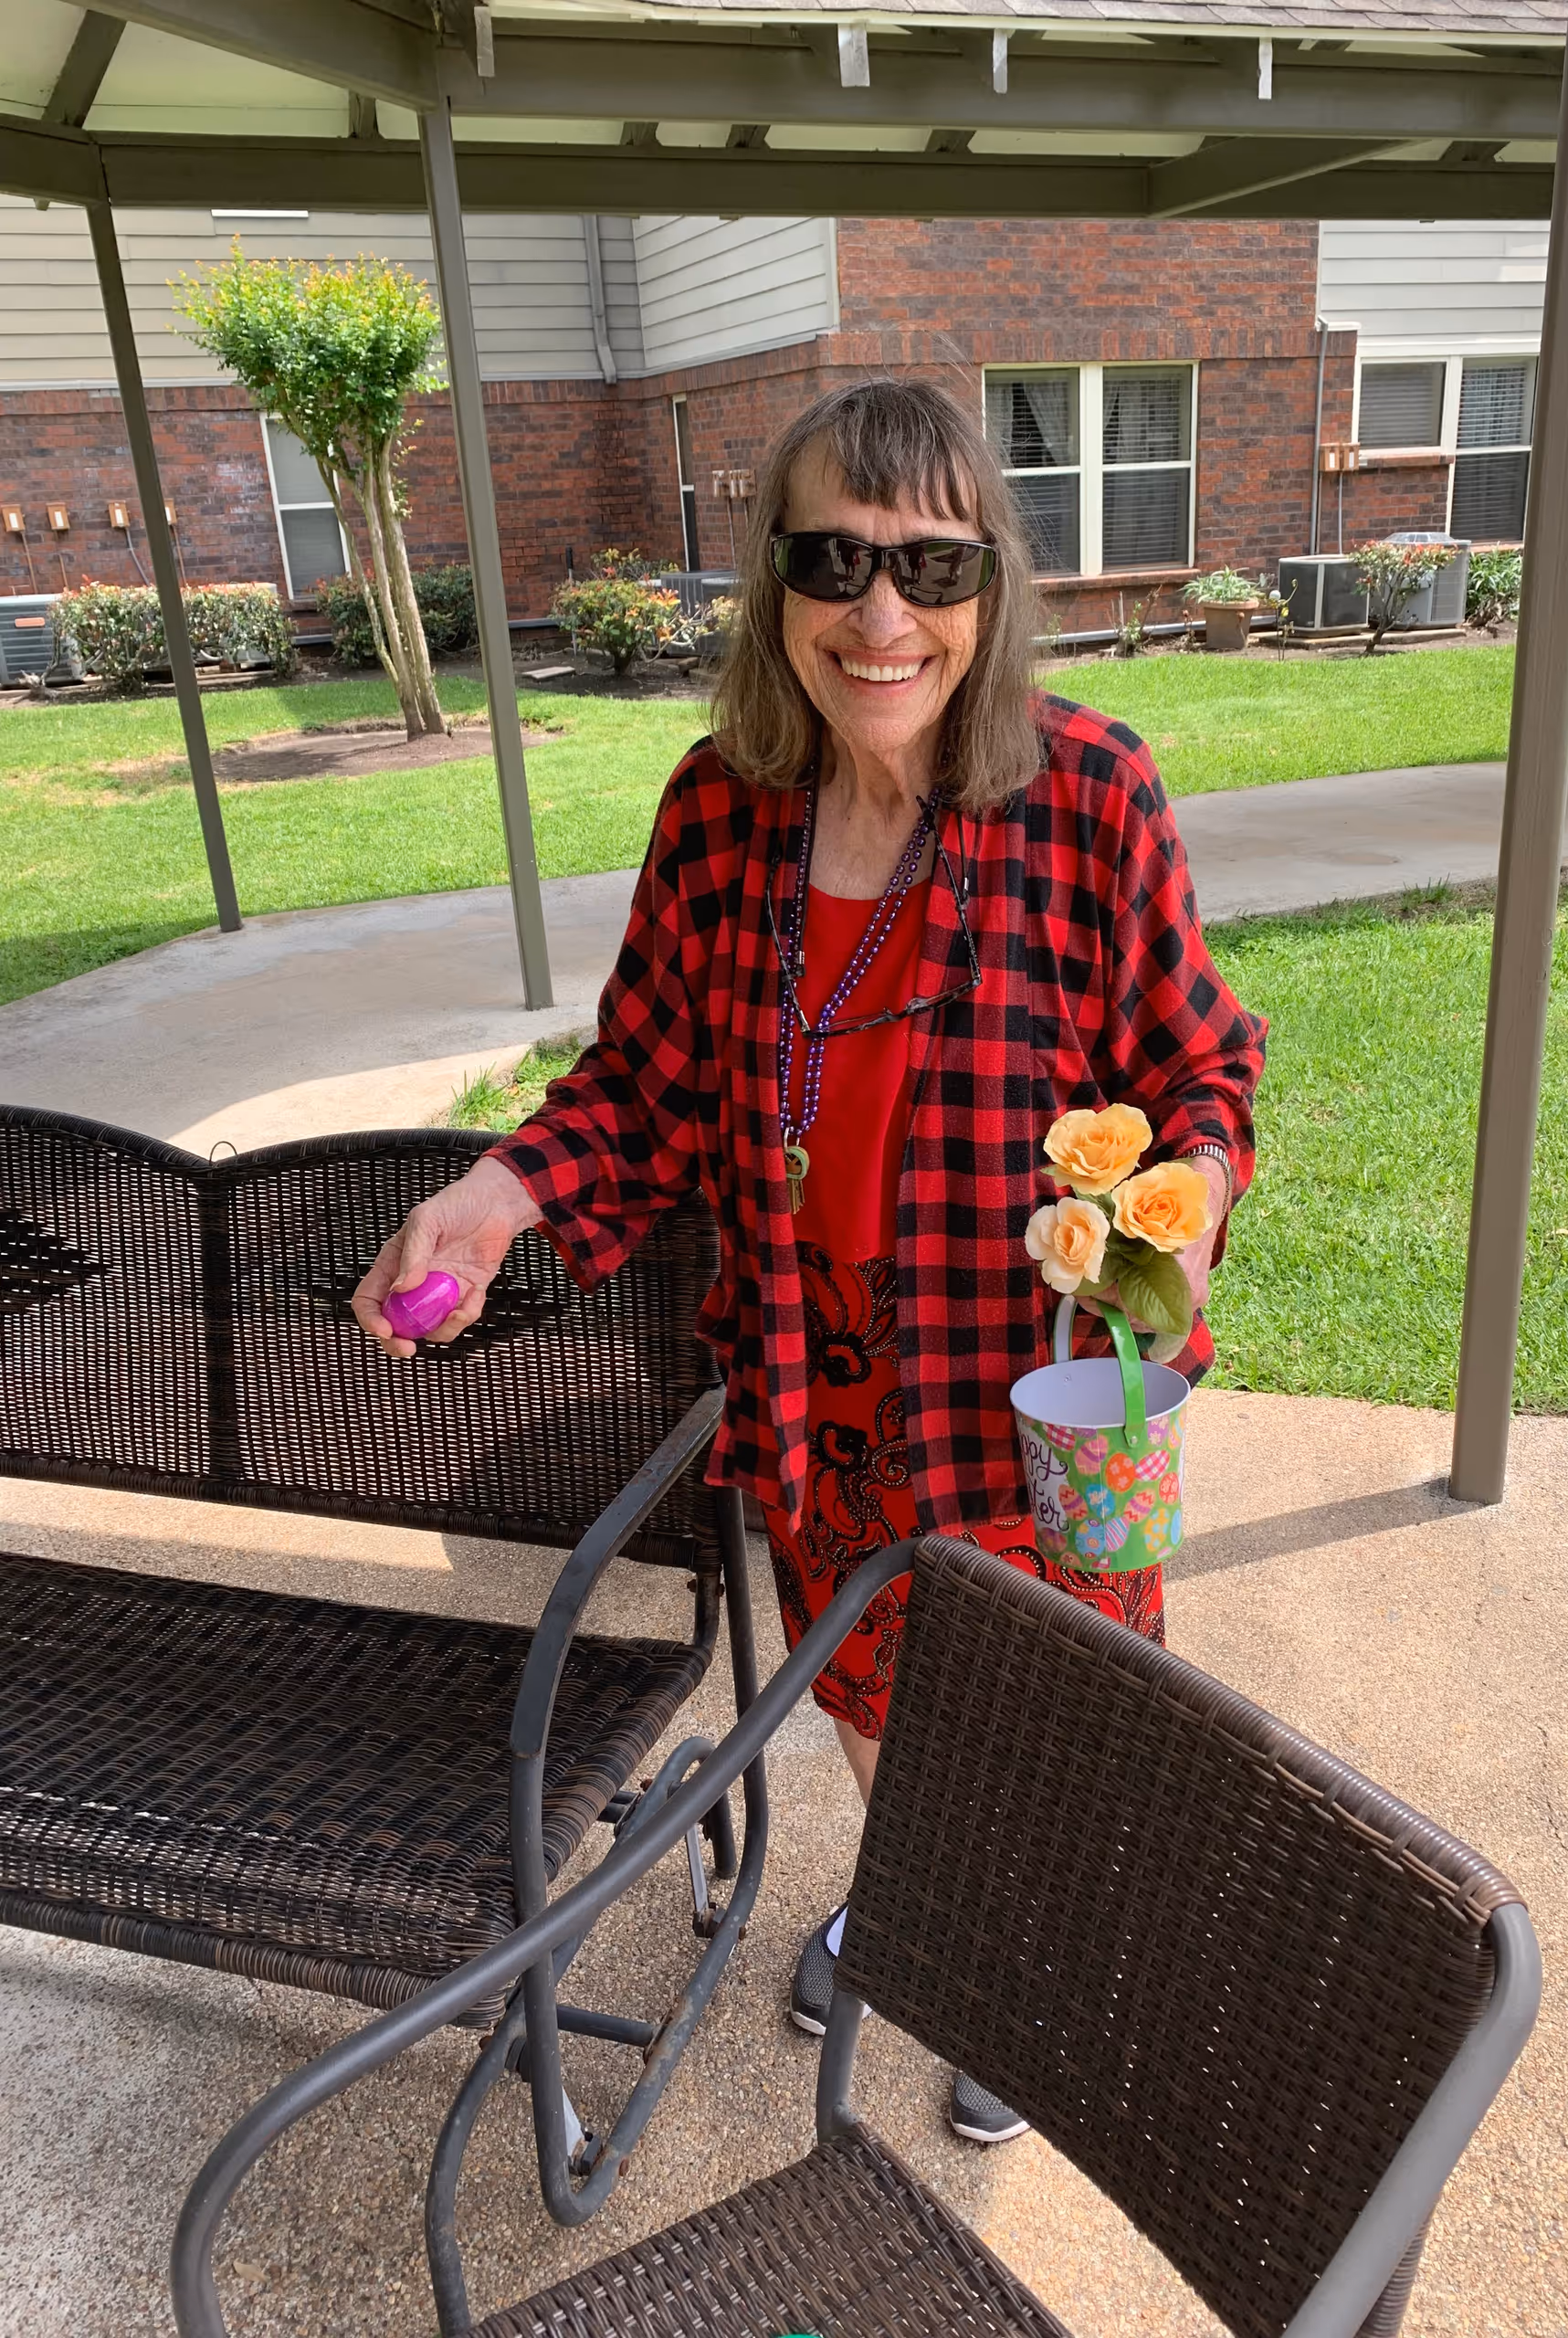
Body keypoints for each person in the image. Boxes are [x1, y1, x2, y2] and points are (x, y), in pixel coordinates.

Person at [353, 379, 1266, 2146]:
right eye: (834, 561)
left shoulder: (1088, 792)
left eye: (932, 566)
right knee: (862, 1679)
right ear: (774, 582)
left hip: (1033, 1377)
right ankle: (920, 1909)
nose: (882, 613)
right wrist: (504, 1193)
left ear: (992, 585)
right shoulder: (724, 809)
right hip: (811, 1361)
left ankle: (1031, 1971)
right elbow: (641, 1085)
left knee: (1052, 1704)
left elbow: (1202, 1064)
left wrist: (1192, 1195)